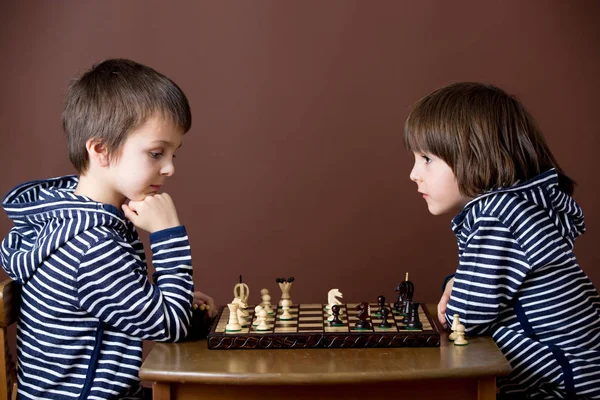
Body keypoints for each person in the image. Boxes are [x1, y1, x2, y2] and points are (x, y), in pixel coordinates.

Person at [1, 59, 216, 399]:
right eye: (157, 153)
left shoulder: (76, 221)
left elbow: (148, 314)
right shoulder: (91, 244)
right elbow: (169, 327)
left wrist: (172, 303)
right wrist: (167, 234)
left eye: (174, 154)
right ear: (101, 149)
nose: (170, 168)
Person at [404, 82, 600, 399]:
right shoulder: (518, 207)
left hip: (566, 388)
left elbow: (464, 318)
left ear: (477, 157)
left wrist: (454, 289)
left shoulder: (498, 217)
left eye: (426, 159)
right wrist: (458, 281)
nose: (414, 173)